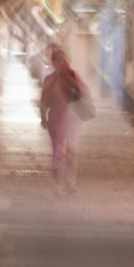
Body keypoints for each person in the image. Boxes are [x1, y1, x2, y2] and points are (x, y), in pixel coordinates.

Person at [39, 45, 86, 193]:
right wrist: (43, 118)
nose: (60, 62)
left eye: (62, 60)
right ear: (53, 62)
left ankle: (70, 182)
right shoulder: (49, 80)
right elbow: (43, 101)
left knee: (71, 149)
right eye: (57, 60)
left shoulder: (73, 76)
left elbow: (82, 96)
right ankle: (58, 183)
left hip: (71, 119)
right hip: (56, 119)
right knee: (59, 151)